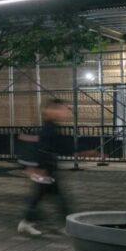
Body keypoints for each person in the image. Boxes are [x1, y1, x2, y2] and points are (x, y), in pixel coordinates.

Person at [18, 99, 73, 236]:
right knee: (52, 197)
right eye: (59, 109)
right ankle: (65, 225)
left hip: (46, 169)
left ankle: (27, 222)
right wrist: (39, 168)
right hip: (44, 169)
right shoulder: (47, 129)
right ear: (49, 111)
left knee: (41, 196)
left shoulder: (51, 127)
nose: (62, 112)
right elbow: (44, 149)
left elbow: (60, 147)